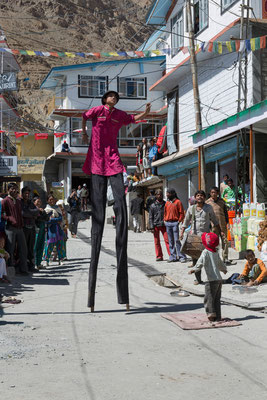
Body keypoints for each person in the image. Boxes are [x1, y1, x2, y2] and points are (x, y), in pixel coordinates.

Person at [82, 90, 151, 311]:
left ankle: (124, 296)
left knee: (120, 208)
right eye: (111, 97)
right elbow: (83, 117)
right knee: (98, 217)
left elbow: (134, 119)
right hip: (96, 159)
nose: (114, 99)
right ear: (105, 99)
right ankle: (91, 298)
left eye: (116, 98)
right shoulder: (97, 111)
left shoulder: (119, 114)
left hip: (112, 159)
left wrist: (146, 112)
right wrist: (84, 135)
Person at [180, 190, 222, 284]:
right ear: (195, 197)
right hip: (194, 238)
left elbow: (215, 221)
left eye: (202, 195)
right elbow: (186, 221)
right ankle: (198, 279)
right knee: (195, 259)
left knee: (208, 259)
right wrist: (182, 232)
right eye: (198, 195)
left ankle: (211, 279)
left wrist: (221, 232)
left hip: (206, 238)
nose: (200, 197)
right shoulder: (191, 209)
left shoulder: (209, 208)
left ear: (204, 197)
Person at [188, 232, 227, 322]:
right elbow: (220, 263)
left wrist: (194, 269)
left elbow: (200, 263)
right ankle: (218, 316)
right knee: (217, 299)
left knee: (209, 298)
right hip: (219, 280)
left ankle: (211, 314)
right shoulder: (216, 252)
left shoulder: (205, 252)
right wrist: (224, 269)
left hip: (210, 280)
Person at [1, 183, 28, 275]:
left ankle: (23, 269)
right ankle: (9, 270)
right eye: (12, 189)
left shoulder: (18, 201)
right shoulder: (5, 201)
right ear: (8, 190)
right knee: (10, 249)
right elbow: (2, 215)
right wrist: (10, 219)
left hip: (20, 228)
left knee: (23, 249)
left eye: (16, 189)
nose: (14, 190)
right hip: (10, 228)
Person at [206, 186, 234, 265]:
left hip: (222, 225)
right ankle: (214, 258)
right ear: (210, 193)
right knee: (214, 242)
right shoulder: (208, 202)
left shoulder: (222, 202)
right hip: (213, 226)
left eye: (215, 192)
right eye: (212, 192)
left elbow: (225, 213)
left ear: (218, 193)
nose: (213, 194)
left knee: (224, 242)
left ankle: (225, 258)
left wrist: (227, 223)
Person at [164, 188, 186, 263]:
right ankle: (172, 256)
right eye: (167, 193)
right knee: (170, 241)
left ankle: (181, 256)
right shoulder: (167, 203)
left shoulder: (178, 202)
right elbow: (165, 212)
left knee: (177, 240)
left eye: (168, 193)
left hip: (175, 223)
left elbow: (182, 213)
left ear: (173, 194)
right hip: (168, 223)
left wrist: (178, 221)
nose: (167, 195)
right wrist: (165, 220)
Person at [21, 186, 40, 272]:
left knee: (31, 248)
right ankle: (23, 267)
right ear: (22, 194)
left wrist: (30, 212)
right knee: (23, 248)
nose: (27, 195)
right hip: (24, 228)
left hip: (32, 227)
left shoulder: (30, 203)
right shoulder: (20, 203)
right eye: (25, 193)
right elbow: (23, 213)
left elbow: (36, 211)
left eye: (28, 193)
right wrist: (31, 213)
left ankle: (31, 266)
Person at [43, 194, 65, 266]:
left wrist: (52, 219)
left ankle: (61, 259)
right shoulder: (46, 210)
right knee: (49, 245)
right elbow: (47, 221)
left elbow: (61, 218)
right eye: (50, 199)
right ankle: (47, 260)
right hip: (51, 230)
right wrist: (55, 220)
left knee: (60, 244)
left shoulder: (58, 208)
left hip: (58, 229)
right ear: (47, 201)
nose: (52, 201)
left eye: (53, 199)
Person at [149, 189, 170, 261]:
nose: (159, 196)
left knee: (167, 240)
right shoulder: (152, 206)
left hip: (164, 225)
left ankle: (171, 255)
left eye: (160, 194)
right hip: (155, 225)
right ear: (155, 195)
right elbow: (150, 217)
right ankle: (159, 256)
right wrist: (151, 226)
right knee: (157, 242)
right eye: (158, 194)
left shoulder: (166, 204)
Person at [33, 196, 48, 269]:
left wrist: (43, 212)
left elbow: (47, 218)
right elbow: (36, 218)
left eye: (40, 202)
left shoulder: (42, 210)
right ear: (34, 202)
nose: (39, 203)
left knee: (41, 246)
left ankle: (38, 263)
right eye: (37, 202)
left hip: (42, 229)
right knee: (35, 246)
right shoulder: (32, 209)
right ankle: (34, 263)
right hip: (36, 229)